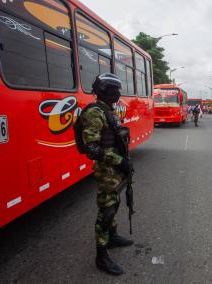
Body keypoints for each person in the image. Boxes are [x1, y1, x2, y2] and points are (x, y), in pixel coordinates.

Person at [81, 73, 134, 276]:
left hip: (115, 170)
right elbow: (91, 149)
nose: (119, 94)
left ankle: (112, 237)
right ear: (105, 92)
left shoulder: (108, 110)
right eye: (115, 90)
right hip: (106, 170)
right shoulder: (95, 113)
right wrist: (120, 161)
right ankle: (101, 257)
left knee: (115, 203)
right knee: (106, 211)